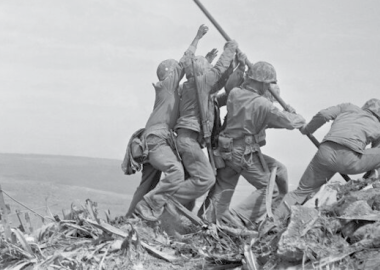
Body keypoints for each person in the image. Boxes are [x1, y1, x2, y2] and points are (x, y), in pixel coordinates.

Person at [199, 61, 306, 227]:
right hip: (244, 152)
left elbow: (269, 120)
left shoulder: (235, 94)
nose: (268, 88)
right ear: (262, 83)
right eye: (267, 84)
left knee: (223, 187)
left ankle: (206, 220)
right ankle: (237, 217)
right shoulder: (262, 104)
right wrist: (297, 117)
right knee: (269, 189)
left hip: (226, 149)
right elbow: (288, 122)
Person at [125, 25, 209, 220]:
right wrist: (197, 37)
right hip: (157, 140)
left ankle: (130, 219)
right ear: (170, 73)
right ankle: (149, 207)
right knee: (176, 172)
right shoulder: (168, 85)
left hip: (153, 139)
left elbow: (192, 76)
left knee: (147, 184)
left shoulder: (170, 92)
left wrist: (207, 63)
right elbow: (185, 60)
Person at [274, 98, 380, 220]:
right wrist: (366, 180)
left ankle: (272, 221)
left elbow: (323, 114)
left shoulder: (348, 107)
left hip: (325, 153)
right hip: (349, 160)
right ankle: (370, 187)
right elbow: (377, 156)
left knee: (301, 192)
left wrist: (307, 129)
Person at [170, 39, 239, 211]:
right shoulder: (199, 83)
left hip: (188, 140)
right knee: (206, 179)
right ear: (202, 71)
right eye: (207, 68)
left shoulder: (194, 86)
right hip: (188, 140)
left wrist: (235, 66)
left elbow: (220, 81)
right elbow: (219, 70)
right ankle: (166, 200)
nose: (210, 70)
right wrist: (230, 49)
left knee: (191, 182)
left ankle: (175, 217)